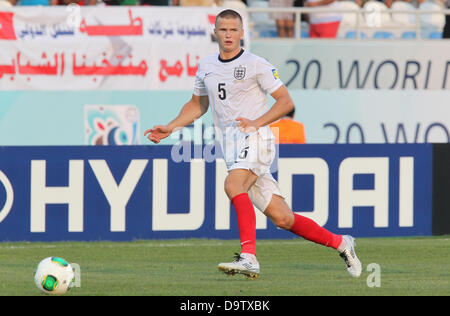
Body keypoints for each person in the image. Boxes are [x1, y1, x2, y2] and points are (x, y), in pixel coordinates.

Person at [144, 9, 361, 280]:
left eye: (234, 30)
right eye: (223, 30)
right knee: (283, 218)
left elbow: (286, 102)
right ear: (215, 32)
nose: (228, 35)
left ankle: (249, 257)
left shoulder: (256, 63)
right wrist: (172, 126)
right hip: (231, 147)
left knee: (233, 185)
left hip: (257, 138)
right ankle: (342, 243)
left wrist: (257, 122)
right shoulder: (206, 66)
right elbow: (198, 104)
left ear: (242, 33)